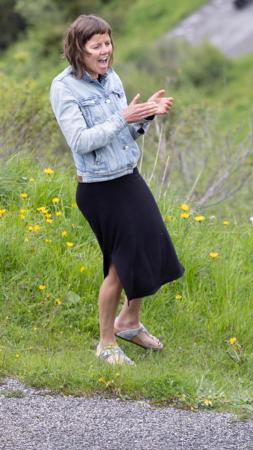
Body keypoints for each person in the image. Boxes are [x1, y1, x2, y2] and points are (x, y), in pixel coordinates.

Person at [49, 14, 183, 366]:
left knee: (150, 246)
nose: (105, 50)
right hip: (98, 188)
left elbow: (125, 134)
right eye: (97, 46)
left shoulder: (112, 80)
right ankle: (106, 343)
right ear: (79, 50)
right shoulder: (64, 88)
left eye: (107, 43)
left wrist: (145, 115)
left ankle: (130, 321)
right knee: (120, 266)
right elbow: (80, 141)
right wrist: (122, 117)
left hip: (127, 177)